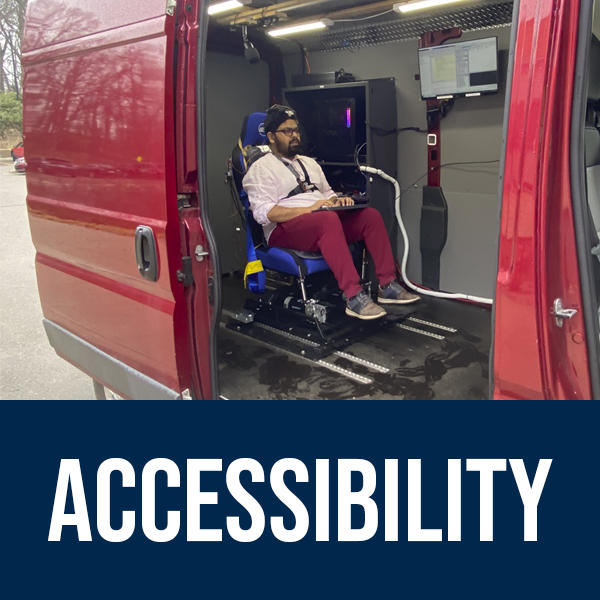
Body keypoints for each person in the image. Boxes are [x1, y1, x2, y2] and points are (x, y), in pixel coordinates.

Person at [242, 105, 419, 320]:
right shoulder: (260, 168)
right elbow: (264, 213)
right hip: (284, 230)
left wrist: (337, 200)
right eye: (287, 131)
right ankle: (353, 296)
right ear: (270, 136)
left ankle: (387, 285)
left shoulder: (309, 163)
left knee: (369, 217)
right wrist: (310, 209)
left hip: (323, 220)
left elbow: (327, 193)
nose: (294, 135)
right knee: (327, 219)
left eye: (296, 130)